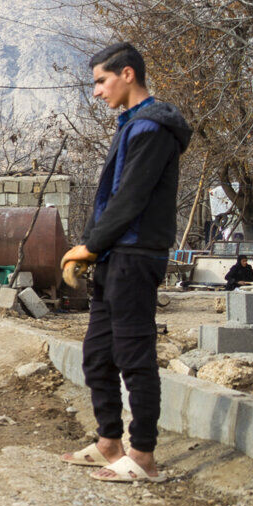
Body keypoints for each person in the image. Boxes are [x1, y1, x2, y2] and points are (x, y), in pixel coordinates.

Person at [60, 43, 192, 483]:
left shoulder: (152, 128)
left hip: (136, 254)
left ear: (128, 74)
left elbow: (130, 198)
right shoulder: (132, 126)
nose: (96, 92)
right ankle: (109, 444)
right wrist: (95, 246)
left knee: (135, 356)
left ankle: (144, 457)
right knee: (97, 354)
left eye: (101, 81)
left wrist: (90, 245)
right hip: (117, 253)